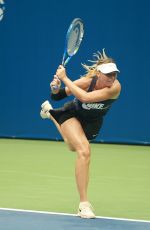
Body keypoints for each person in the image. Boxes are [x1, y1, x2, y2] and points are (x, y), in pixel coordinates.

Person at [40, 49, 121, 218]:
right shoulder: (87, 82)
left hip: (93, 122)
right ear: (98, 73)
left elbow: (85, 98)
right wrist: (55, 87)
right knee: (84, 151)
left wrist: (64, 78)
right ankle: (83, 205)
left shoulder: (115, 88)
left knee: (72, 147)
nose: (111, 78)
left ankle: (50, 114)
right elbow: (58, 95)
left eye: (114, 74)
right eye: (108, 74)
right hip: (73, 114)